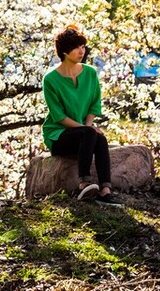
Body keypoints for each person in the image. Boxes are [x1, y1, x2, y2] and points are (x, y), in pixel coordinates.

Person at [41, 24, 118, 203]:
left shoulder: (90, 73)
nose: (81, 51)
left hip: (82, 133)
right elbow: (58, 116)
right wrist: (87, 129)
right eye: (76, 47)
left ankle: (105, 190)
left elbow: (94, 104)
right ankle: (84, 185)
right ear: (65, 52)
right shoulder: (50, 79)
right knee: (91, 133)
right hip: (58, 135)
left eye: (83, 46)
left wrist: (88, 127)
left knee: (99, 138)